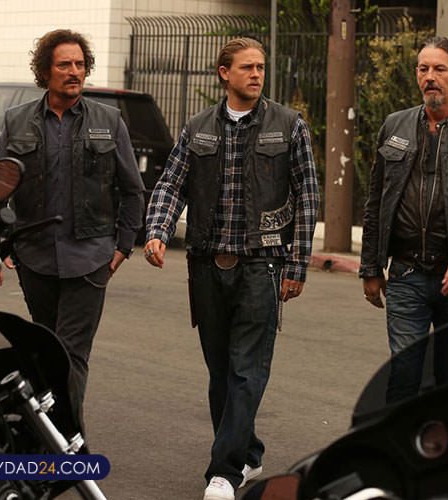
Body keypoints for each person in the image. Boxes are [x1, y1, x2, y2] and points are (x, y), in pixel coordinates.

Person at [144, 38, 319, 500]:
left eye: (261, 67)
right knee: (221, 372)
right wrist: (157, 230)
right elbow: (171, 184)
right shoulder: (198, 127)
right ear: (224, 73)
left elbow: (307, 195)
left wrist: (298, 262)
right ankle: (248, 449)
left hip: (262, 265)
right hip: (206, 265)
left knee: (247, 371)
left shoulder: (289, 126)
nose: (257, 74)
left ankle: (224, 471)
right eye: (247, 67)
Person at [0, 29, 145, 429]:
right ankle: (52, 436)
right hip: (34, 257)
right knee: (45, 352)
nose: (75, 72)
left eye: (80, 64)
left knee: (71, 353)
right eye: (65, 64)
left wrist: (122, 248)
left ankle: (67, 440)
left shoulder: (109, 121)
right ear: (45, 71)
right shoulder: (17, 121)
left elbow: (133, 190)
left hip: (90, 258)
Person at [359, 36, 448, 401]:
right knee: (404, 371)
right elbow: (376, 200)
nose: (430, 77)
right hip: (406, 273)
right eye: (423, 69)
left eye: (440, 69)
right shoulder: (394, 125)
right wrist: (370, 267)